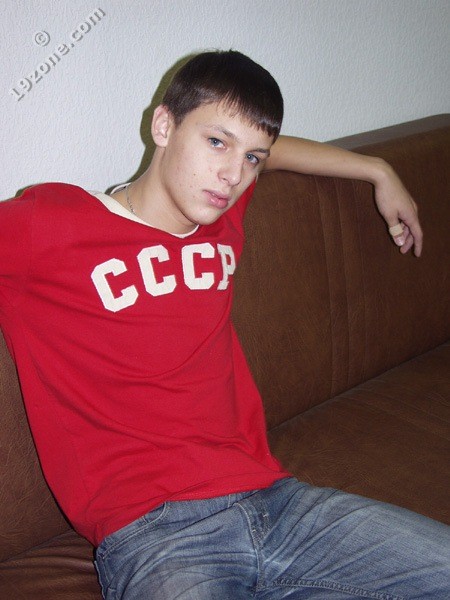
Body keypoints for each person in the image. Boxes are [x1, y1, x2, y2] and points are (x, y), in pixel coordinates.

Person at [0, 50, 447, 599]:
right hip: (155, 534)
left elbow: (275, 151)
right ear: (164, 126)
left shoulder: (220, 211)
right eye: (216, 142)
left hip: (280, 504)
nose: (234, 175)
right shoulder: (50, 223)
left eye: (251, 158)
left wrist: (380, 170)